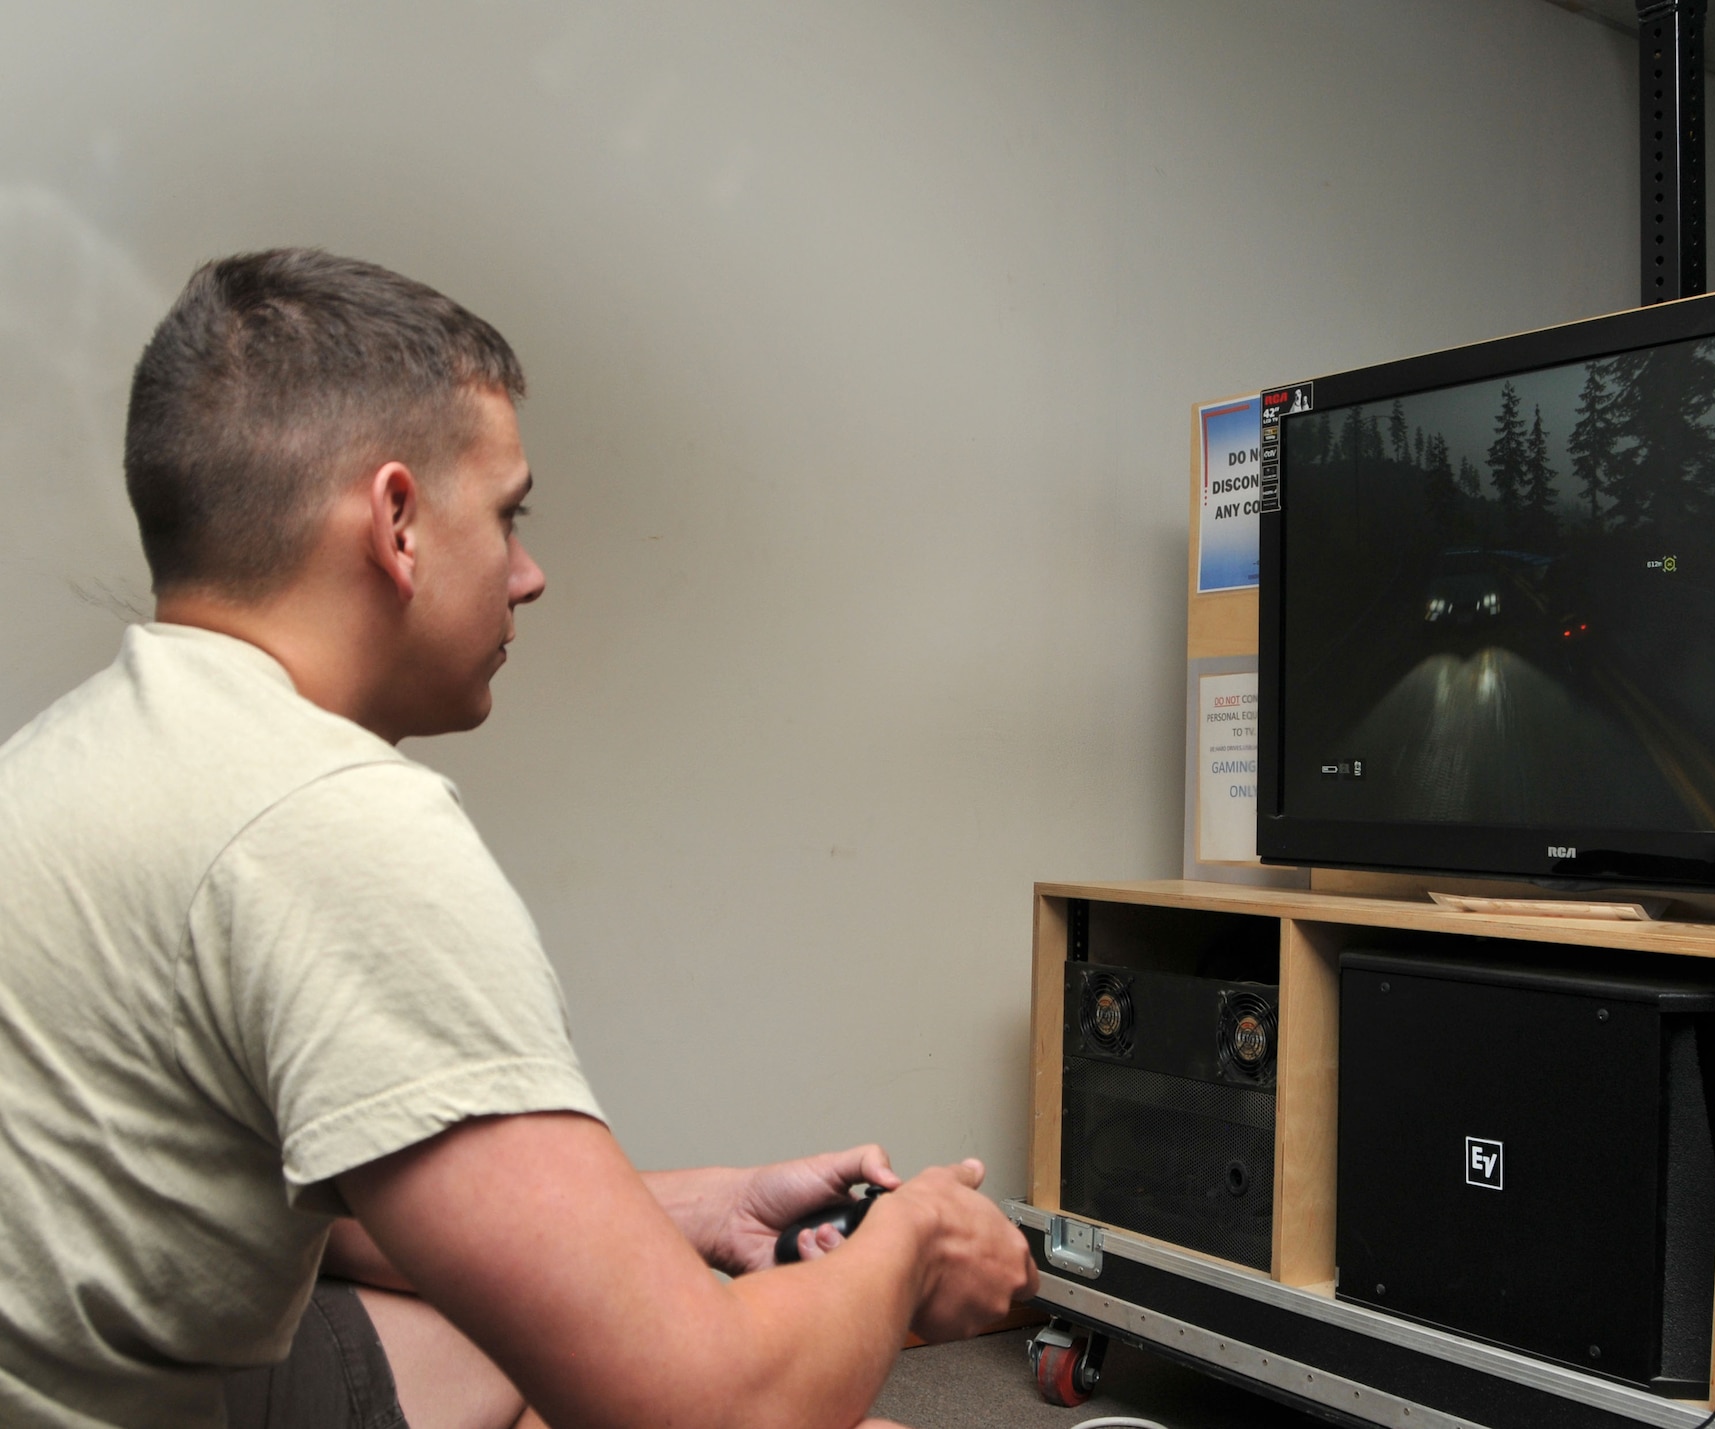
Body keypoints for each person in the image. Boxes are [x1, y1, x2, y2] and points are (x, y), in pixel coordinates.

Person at [0, 249, 1037, 1429]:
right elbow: (711, 1411)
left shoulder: (81, 753)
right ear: (397, 521)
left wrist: (694, 1209)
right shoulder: (326, 821)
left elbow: (293, 1201)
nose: (530, 574)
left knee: (519, 1346)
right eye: (508, 515)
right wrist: (908, 1246)